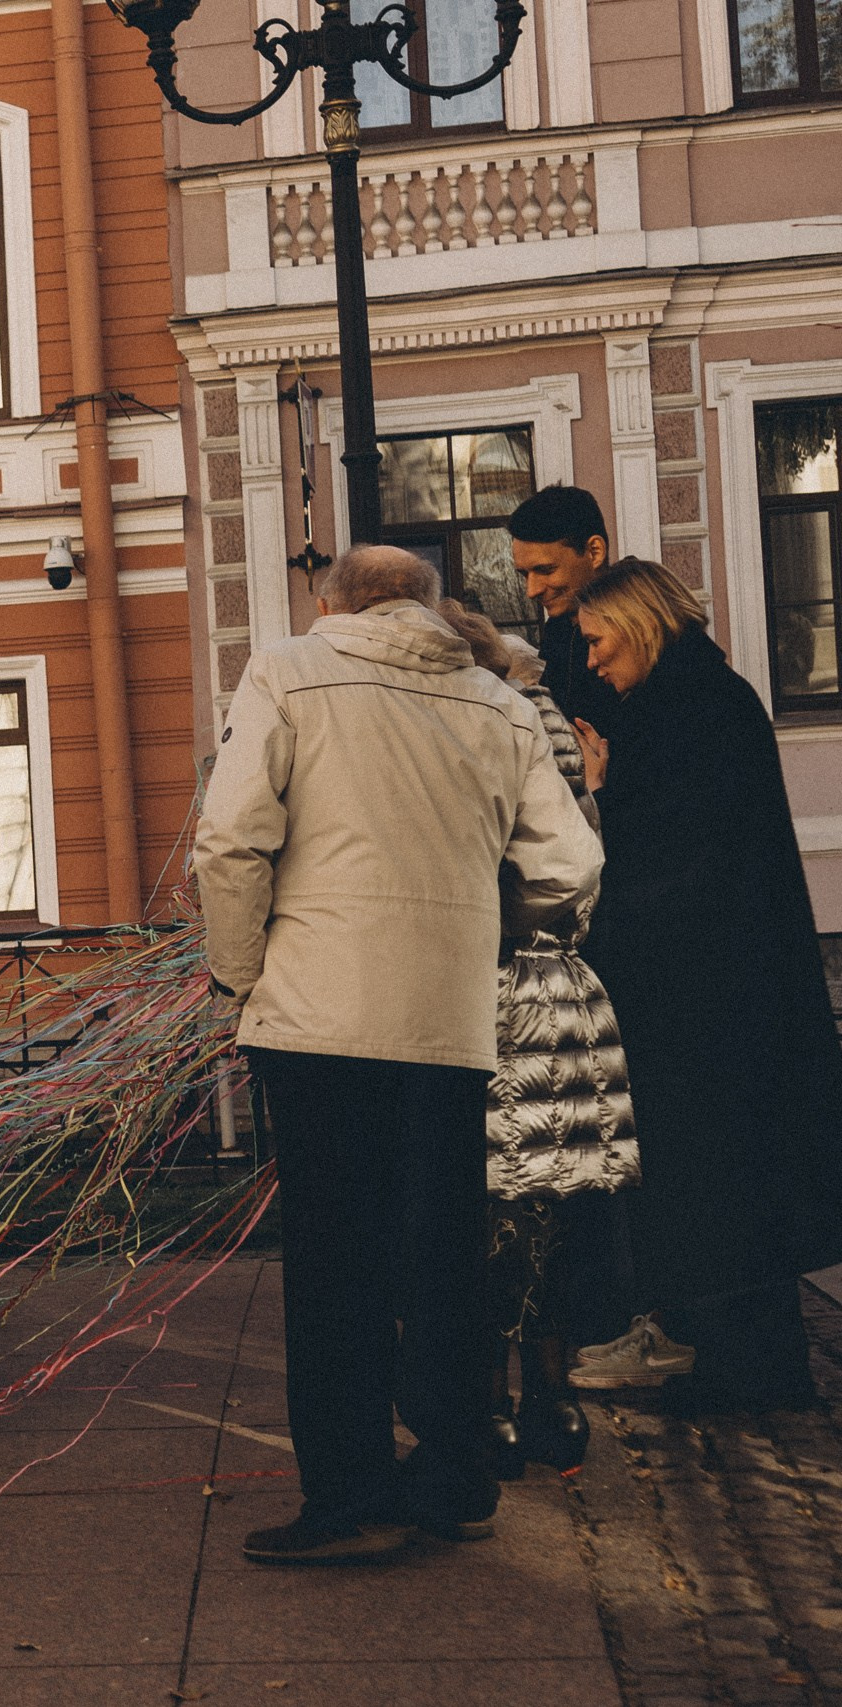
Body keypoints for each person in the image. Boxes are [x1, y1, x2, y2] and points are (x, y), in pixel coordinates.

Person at [195, 545, 602, 1565]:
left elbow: (231, 840)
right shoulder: (498, 702)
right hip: (448, 1018)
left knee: (334, 1266)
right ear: (426, 606)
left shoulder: (287, 672)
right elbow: (568, 860)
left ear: (329, 602)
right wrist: (497, 935)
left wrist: (240, 977)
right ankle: (456, 1481)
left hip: (318, 1014)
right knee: (444, 1256)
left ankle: (345, 1498)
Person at [569, 559, 842, 1410]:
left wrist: (608, 792)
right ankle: (752, 1366)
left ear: (636, 622)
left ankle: (744, 1377)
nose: (591, 659)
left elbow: (672, 858)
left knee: (713, 1184)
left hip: (700, 995)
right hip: (734, 985)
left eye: (596, 636)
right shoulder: (711, 696)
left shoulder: (676, 711)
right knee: (739, 1183)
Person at [437, 602, 638, 1476]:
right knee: (553, 1206)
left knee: (485, 1209)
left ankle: (489, 1408)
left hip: (479, 990)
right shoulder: (538, 709)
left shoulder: (457, 714)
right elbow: (578, 852)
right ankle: (548, 1398)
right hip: (559, 990)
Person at [507, 485, 620, 732]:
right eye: (524, 574)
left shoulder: (644, 628)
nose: (531, 590)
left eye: (546, 570)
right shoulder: (559, 630)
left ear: (594, 552)